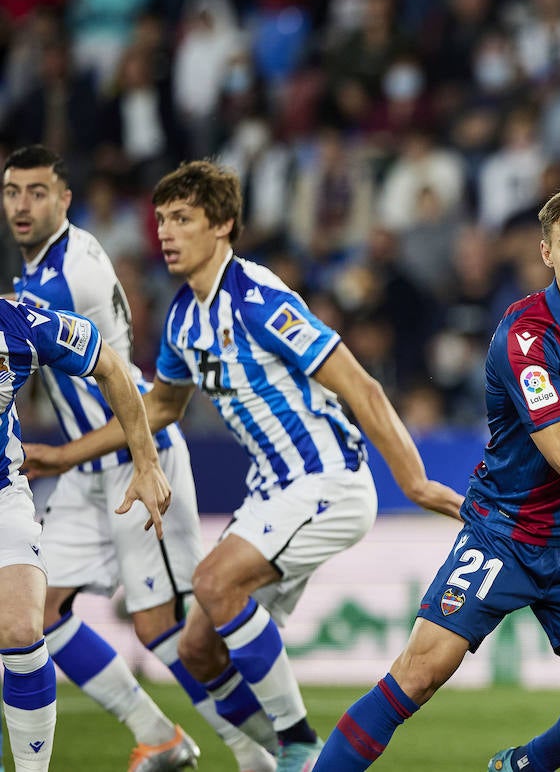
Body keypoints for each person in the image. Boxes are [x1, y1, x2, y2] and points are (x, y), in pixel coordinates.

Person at [22, 160, 464, 772]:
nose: (168, 234)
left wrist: (413, 481)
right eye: (162, 221)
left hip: (325, 479)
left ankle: (298, 744)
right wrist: (62, 455)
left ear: (224, 225)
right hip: (270, 494)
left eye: (183, 219)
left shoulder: (258, 299)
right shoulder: (181, 317)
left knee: (211, 583)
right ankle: (302, 759)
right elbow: (162, 407)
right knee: (199, 648)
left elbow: (361, 387)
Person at [315, 186, 560, 771]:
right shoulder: (523, 336)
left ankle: (522, 766)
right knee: (419, 674)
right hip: (504, 534)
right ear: (546, 254)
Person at [4, 145, 275, 772]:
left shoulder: (64, 276)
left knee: (159, 626)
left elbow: (113, 372)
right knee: (36, 616)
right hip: (85, 470)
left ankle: (262, 753)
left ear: (64, 199)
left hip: (131, 456)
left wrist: (139, 458)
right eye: (12, 191)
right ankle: (158, 735)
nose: (22, 205)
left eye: (38, 192)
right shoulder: (48, 267)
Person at [0, 296, 172, 772]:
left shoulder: (17, 322)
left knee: (22, 628)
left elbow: (111, 365)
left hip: (2, 495)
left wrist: (147, 461)